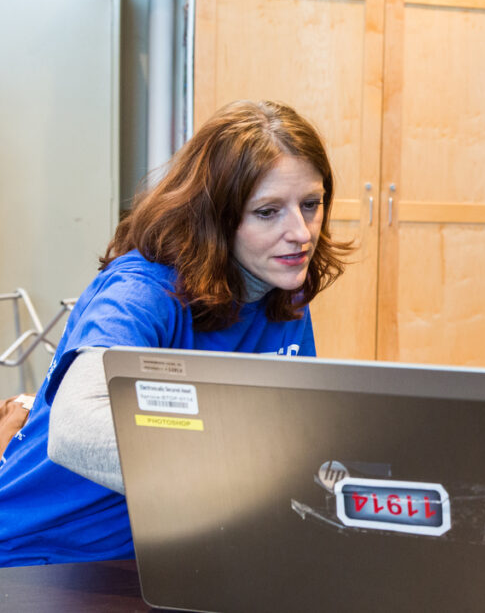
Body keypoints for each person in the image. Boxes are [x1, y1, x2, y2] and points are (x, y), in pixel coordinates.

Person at [0, 100, 352, 566]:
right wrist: (245, 471)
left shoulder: (281, 291)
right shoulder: (143, 291)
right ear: (216, 215)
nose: (301, 232)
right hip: (40, 554)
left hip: (162, 552)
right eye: (267, 212)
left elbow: (289, 433)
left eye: (311, 204)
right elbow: (74, 431)